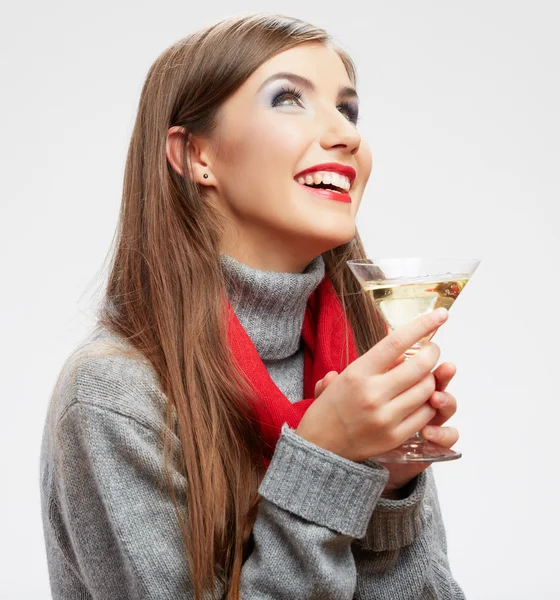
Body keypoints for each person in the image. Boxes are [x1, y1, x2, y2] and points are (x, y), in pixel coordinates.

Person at [39, 12, 466, 600]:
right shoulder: (115, 395)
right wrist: (325, 463)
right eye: (289, 98)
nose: (346, 134)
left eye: (349, 109)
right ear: (194, 156)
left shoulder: (362, 366)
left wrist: (387, 491)